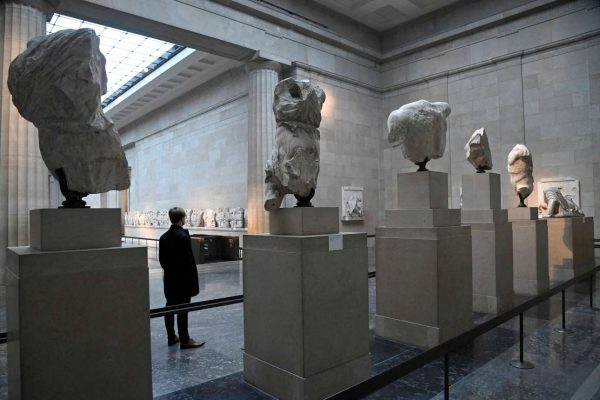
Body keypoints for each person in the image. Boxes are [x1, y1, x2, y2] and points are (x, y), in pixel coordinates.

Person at [159, 207, 205, 349]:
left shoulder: (163, 237)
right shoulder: (183, 237)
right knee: (183, 309)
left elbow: (162, 261)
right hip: (183, 281)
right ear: (182, 218)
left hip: (169, 279)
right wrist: (192, 282)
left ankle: (171, 336)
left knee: (169, 307)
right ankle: (185, 340)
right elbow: (188, 263)